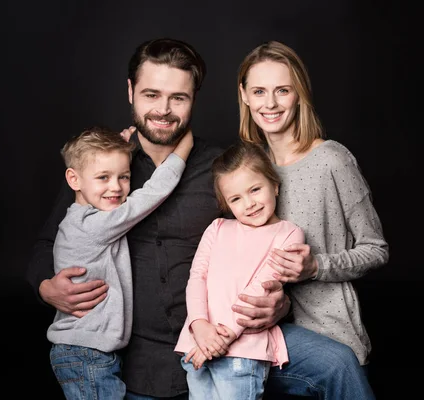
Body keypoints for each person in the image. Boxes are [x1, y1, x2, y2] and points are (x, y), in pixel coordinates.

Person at [27, 37, 378, 399]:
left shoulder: (222, 168)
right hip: (134, 356)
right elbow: (47, 246)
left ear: (194, 99)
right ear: (130, 91)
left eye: (178, 97)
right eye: (151, 94)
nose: (163, 110)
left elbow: (270, 240)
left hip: (231, 335)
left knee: (337, 363)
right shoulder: (103, 170)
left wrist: (281, 303)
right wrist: (46, 287)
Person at [237, 40, 390, 395]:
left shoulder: (332, 160)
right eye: (259, 91)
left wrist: (315, 267)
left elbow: (376, 249)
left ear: (299, 94)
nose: (270, 104)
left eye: (282, 90)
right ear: (244, 95)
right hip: (266, 344)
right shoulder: (249, 166)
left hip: (333, 337)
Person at [47, 126, 193, 399]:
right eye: (103, 177)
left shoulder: (81, 217)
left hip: (85, 350)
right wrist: (183, 148)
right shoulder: (95, 225)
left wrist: (120, 150)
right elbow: (153, 193)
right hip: (86, 352)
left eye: (124, 176)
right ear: (73, 179)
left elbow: (105, 175)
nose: (116, 187)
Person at [174, 141, 305, 399]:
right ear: (226, 203)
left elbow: (260, 289)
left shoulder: (289, 234)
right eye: (236, 198)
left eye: (255, 190)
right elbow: (197, 277)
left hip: (242, 352)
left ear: (274, 185)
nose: (249, 204)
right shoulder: (218, 228)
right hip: (197, 345)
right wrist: (199, 325)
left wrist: (221, 339)